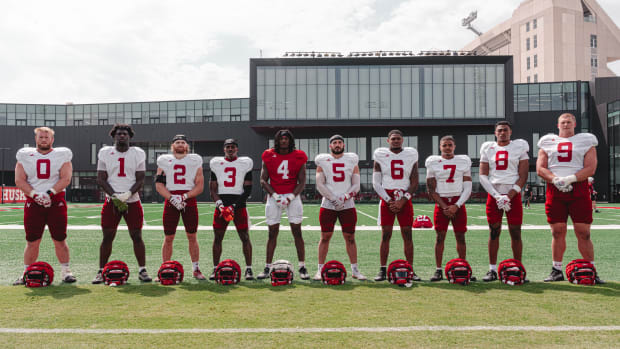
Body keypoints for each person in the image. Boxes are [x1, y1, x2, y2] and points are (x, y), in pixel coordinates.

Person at [536, 113, 604, 283]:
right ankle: (556, 270)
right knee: (557, 232)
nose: (565, 125)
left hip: (578, 188)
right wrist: (555, 179)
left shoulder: (586, 140)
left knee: (584, 232)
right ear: (558, 125)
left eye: (568, 122)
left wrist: (570, 179)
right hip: (555, 189)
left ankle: (591, 270)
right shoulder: (547, 141)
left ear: (575, 124)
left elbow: (591, 167)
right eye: (563, 122)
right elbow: (540, 168)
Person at [13, 127, 76, 285]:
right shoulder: (25, 156)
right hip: (33, 202)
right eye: (41, 137)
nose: (43, 139)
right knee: (32, 240)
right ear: (36, 139)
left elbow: (66, 178)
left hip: (56, 201)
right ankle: (27, 272)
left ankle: (66, 271)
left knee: (59, 238)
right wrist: (35, 194)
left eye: (46, 137)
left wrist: (48, 193)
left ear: (52, 139)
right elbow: (19, 180)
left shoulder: (62, 155)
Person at [93, 124, 151, 284]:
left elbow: (140, 179)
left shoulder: (137, 153)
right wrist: (115, 196)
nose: (122, 136)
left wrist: (127, 194)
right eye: (119, 134)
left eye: (125, 134)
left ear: (130, 136)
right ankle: (100, 270)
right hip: (112, 202)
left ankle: (142, 270)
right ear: (114, 136)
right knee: (107, 237)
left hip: (132, 201)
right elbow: (100, 178)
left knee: (137, 236)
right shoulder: (105, 152)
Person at [478, 121, 529, 282]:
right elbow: (482, 175)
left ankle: (518, 267)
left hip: (512, 194)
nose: (502, 133)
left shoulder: (519, 146)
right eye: (499, 130)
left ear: (510, 132)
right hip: (494, 195)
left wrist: (509, 195)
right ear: (495, 133)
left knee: (515, 232)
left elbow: (523, 175)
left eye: (505, 130)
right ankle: (492, 269)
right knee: (494, 232)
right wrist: (497, 196)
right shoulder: (488, 148)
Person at [257, 130, 309, 280]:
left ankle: (302, 266)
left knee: (297, 232)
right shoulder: (268, 154)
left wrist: (291, 196)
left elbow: (302, 181)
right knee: (272, 233)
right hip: (275, 196)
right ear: (277, 141)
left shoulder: (299, 155)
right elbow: (262, 180)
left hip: (293, 196)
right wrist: (275, 196)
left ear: (290, 140)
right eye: (281, 138)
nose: (284, 141)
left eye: (286, 138)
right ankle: (267, 267)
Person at [313, 135, 366, 281]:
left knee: (350, 237)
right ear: (330, 146)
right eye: (334, 143)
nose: (337, 145)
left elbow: (356, 184)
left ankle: (355, 270)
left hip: (347, 204)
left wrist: (344, 197)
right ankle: (320, 269)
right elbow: (320, 184)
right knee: (325, 237)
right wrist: (333, 198)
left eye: (340, 142)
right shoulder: (322, 161)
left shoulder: (352, 160)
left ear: (343, 145)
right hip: (328, 203)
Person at [372, 130, 420, 282]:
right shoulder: (380, 154)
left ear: (403, 140)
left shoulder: (411, 154)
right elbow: (376, 182)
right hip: (387, 197)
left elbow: (414, 182)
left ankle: (410, 269)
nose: (396, 141)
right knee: (386, 234)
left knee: (407, 234)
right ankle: (382, 269)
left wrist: (403, 200)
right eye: (393, 139)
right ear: (388, 141)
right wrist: (388, 200)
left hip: (404, 198)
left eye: (398, 139)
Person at [155, 134, 205, 280]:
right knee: (169, 236)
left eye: (183, 142)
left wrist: (184, 197)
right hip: (171, 199)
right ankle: (165, 267)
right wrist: (171, 198)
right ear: (172, 146)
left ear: (187, 146)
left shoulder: (195, 160)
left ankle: (196, 268)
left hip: (188, 198)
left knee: (192, 235)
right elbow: (159, 184)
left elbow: (200, 185)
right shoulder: (164, 161)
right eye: (177, 142)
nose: (180, 144)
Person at [425, 135, 474, 282]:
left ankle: (463, 266)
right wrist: (445, 206)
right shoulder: (433, 162)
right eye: (444, 145)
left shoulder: (463, 161)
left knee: (460, 236)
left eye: (450, 145)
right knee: (440, 237)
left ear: (454, 146)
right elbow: (431, 189)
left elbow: (468, 187)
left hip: (458, 201)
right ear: (440, 147)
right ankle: (438, 270)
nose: (447, 147)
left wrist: (457, 205)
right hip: (442, 202)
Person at [209, 138, 254, 280]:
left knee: (245, 237)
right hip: (222, 205)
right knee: (218, 237)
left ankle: (249, 269)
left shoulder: (245, 163)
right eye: (228, 147)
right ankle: (215, 268)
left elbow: (247, 189)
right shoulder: (216, 164)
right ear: (224, 149)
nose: (230, 149)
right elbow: (213, 190)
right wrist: (221, 206)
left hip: (239, 206)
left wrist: (234, 206)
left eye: (233, 147)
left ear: (237, 149)